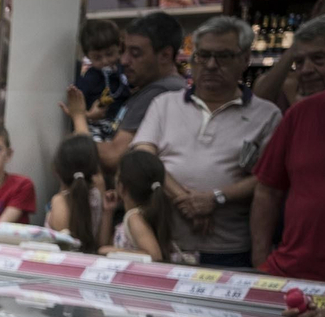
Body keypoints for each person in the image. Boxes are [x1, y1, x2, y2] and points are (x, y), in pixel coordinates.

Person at [131, 16, 281, 269]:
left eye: (223, 56)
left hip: (230, 249)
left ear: (244, 59)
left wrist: (216, 198)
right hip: (163, 243)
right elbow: (143, 155)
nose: (211, 65)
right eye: (203, 56)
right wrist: (186, 200)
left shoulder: (267, 115)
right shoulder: (165, 104)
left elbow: (269, 178)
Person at [63, 12, 185, 173]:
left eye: (135, 54)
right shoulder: (147, 87)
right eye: (123, 51)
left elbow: (112, 157)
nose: (124, 60)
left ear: (165, 55)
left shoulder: (161, 91)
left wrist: (79, 118)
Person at [252, 92, 325, 282]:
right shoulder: (301, 113)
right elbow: (267, 190)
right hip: (292, 273)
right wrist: (261, 263)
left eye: (317, 59)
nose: (307, 70)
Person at [101, 149, 174, 262]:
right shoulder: (140, 214)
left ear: (121, 186)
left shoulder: (134, 217)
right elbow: (104, 246)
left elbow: (154, 256)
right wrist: (108, 212)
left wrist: (114, 251)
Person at [46, 135, 112, 255]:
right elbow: (102, 243)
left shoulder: (59, 201)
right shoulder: (96, 196)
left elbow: (65, 248)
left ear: (57, 169)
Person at [253, 9, 325, 113]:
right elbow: (260, 99)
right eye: (299, 62)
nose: (306, 70)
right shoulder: (291, 87)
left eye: (318, 58)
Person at [75, 19, 131, 140]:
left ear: (119, 47)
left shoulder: (126, 70)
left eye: (109, 54)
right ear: (87, 56)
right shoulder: (89, 79)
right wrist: (89, 115)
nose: (105, 61)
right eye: (97, 58)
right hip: (96, 126)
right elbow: (76, 108)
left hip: (123, 125)